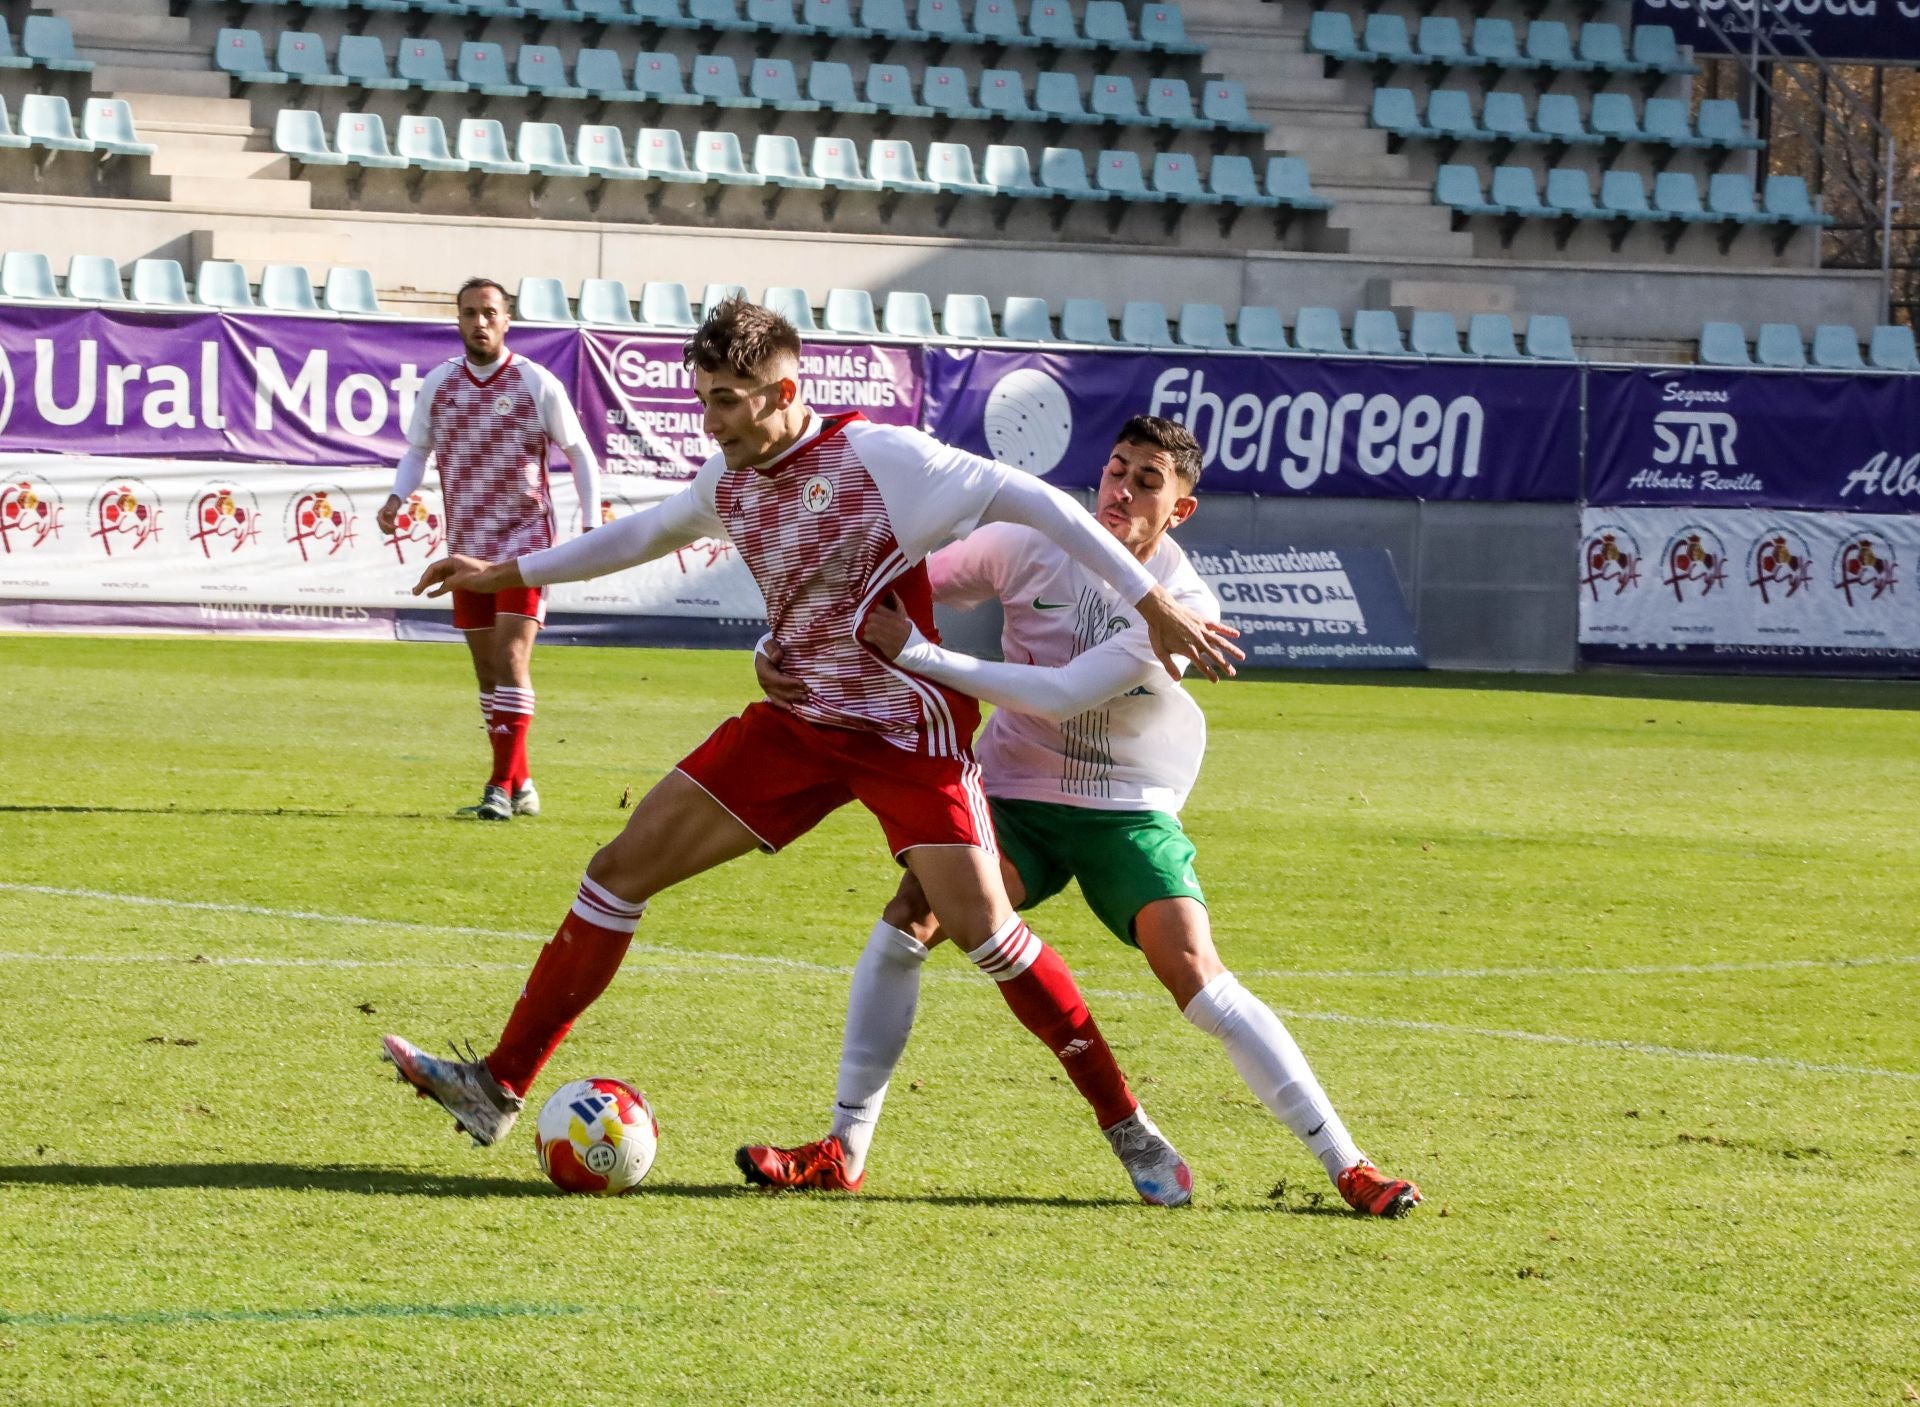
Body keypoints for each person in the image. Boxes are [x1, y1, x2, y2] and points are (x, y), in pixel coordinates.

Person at [379, 299, 1243, 1205]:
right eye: (703, 399)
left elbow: (1027, 499)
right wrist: (498, 573)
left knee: (990, 935)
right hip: (800, 722)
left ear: (783, 391)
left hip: (908, 734)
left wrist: (1149, 599)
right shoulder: (730, 480)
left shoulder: (886, 460)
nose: (710, 423)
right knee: (616, 870)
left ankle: (1128, 1126)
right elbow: (633, 538)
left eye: (725, 402)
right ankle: (497, 1087)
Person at [739, 415, 1421, 1216]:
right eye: (1116, 469)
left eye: (1146, 481)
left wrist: (919, 656)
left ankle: (1348, 1163)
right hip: (1012, 795)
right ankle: (841, 1149)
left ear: (1180, 510)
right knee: (908, 919)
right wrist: (779, 641)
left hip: (1123, 809)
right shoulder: (1030, 541)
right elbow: (894, 577)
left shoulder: (1182, 605)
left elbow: (1061, 695)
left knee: (1196, 974)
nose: (1122, 491)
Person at [379, 276, 601, 822]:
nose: (479, 322)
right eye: (469, 313)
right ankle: (521, 782)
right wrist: (396, 497)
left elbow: (579, 453)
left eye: (489, 313)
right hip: (466, 547)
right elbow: (416, 450)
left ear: (507, 321)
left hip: (524, 545)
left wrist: (592, 524)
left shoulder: (535, 382)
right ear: (457, 321)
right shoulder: (440, 384)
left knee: (510, 659)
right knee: (486, 675)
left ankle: (499, 787)